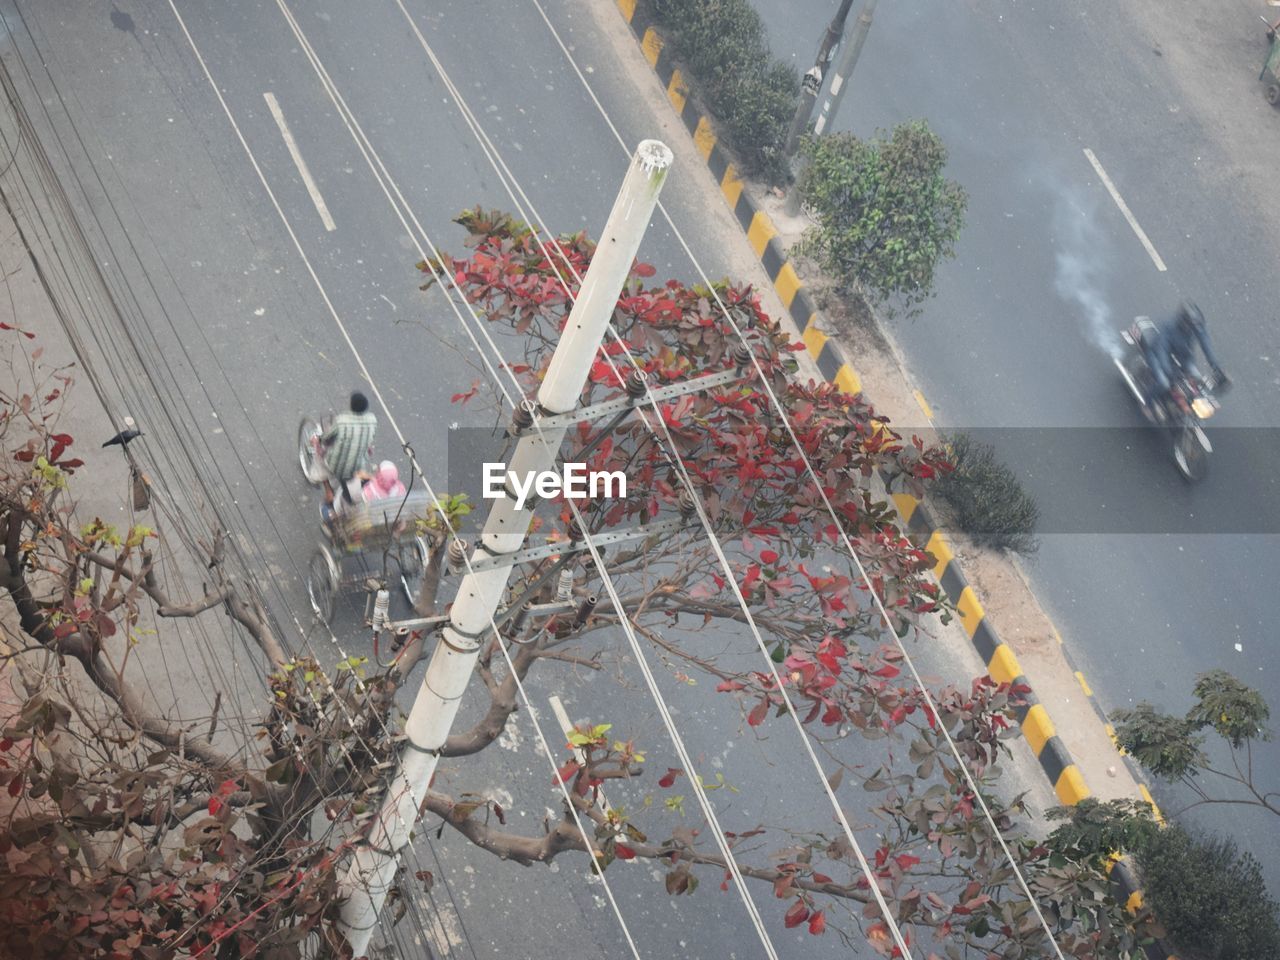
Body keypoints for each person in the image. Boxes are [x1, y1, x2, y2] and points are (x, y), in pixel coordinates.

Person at [1142, 300, 1228, 416]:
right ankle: (1148, 403)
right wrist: (1169, 372)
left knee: (1196, 378)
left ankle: (1183, 406)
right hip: (1157, 356)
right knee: (1164, 383)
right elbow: (1161, 351)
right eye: (1191, 325)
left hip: (1181, 357)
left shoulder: (1195, 326)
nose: (1194, 328)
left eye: (1195, 325)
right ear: (1183, 321)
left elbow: (1205, 344)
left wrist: (1215, 366)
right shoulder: (1168, 328)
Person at [319, 391, 377, 507]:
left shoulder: (342, 421)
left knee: (320, 458)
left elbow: (326, 438)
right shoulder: (372, 420)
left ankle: (328, 491)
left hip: (336, 465)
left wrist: (319, 440)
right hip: (358, 467)